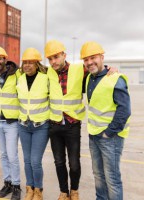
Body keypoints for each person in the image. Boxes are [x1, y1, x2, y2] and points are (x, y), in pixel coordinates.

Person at [44, 40, 118, 200]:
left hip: (72, 124)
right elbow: (25, 71)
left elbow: (96, 69)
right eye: (49, 59)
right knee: (58, 162)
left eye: (56, 57)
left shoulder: (79, 69)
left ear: (64, 55)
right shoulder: (47, 72)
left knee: (74, 163)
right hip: (54, 125)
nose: (53, 62)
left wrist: (109, 69)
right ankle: (64, 192)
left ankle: (75, 191)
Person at [80, 41, 131, 200]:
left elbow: (124, 110)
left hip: (111, 138)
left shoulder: (115, 78)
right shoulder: (89, 78)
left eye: (93, 58)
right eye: (86, 59)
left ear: (102, 57)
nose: (89, 62)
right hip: (94, 135)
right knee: (98, 175)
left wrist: (108, 133)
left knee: (112, 178)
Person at [16, 48, 61, 200]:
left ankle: (38, 190)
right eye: (25, 63)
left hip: (40, 126)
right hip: (23, 125)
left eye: (31, 62)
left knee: (35, 161)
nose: (27, 65)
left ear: (37, 64)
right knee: (27, 160)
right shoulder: (19, 78)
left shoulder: (46, 77)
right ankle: (29, 188)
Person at [0, 45, 22, 200]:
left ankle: (16, 186)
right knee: (3, 154)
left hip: (12, 122)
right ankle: (7, 182)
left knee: (12, 155)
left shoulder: (17, 74)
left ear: (5, 59)